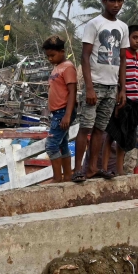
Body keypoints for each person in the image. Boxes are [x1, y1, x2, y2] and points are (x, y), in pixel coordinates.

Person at [73, 0, 129, 183]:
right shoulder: (94, 24)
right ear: (104, 0)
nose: (116, 5)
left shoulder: (123, 28)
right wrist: (88, 87)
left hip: (111, 86)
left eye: (120, 1)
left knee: (100, 129)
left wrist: (121, 89)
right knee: (85, 127)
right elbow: (85, 57)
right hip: (94, 85)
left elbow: (123, 59)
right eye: (113, 1)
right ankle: (78, 169)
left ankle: (92, 169)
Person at [108, 24, 138, 175]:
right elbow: (117, 78)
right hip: (122, 100)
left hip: (134, 102)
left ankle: (119, 170)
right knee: (111, 136)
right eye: (134, 37)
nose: (137, 41)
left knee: (123, 139)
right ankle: (106, 168)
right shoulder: (122, 57)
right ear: (127, 38)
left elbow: (136, 81)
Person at [42, 36, 78, 183]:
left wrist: (68, 115)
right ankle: (67, 176)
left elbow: (72, 91)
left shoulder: (67, 67)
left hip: (64, 111)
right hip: (58, 112)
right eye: (48, 56)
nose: (50, 59)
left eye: (52, 55)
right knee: (62, 144)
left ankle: (57, 178)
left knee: (51, 146)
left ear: (62, 52)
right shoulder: (57, 67)